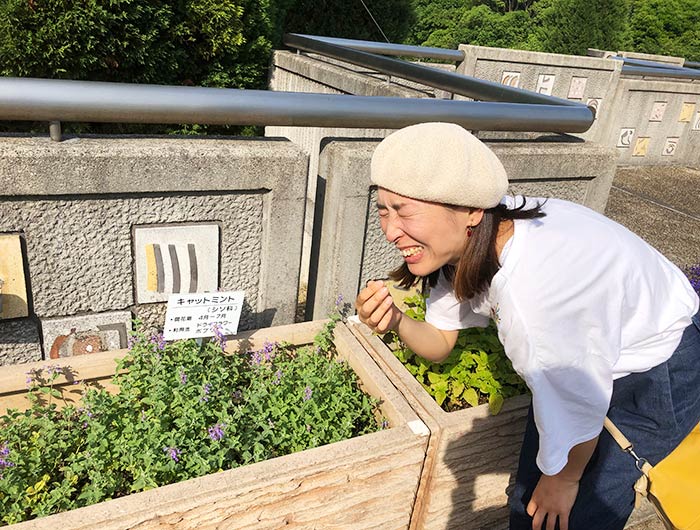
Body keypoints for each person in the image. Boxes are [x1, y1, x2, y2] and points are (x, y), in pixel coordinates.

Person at [355, 122, 700, 530]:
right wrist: (396, 320)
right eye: (383, 209)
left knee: (570, 515)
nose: (391, 231)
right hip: (594, 354)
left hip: (657, 367)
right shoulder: (478, 236)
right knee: (530, 500)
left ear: (469, 209)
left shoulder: (534, 292)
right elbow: (441, 342)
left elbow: (580, 403)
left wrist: (564, 479)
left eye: (405, 211)